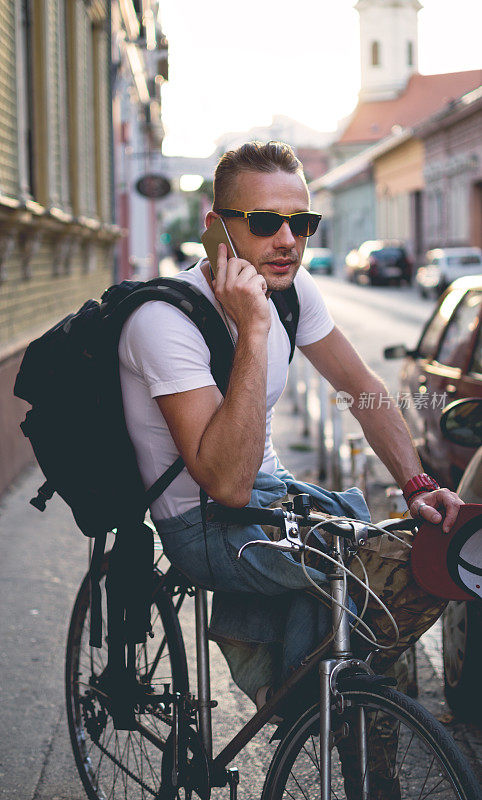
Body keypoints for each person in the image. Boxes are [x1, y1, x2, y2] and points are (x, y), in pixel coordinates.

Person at [118, 140, 462, 710]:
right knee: (379, 575)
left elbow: (364, 389)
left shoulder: (292, 289)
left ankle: (347, 720)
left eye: (302, 222)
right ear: (216, 228)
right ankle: (316, 704)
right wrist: (253, 330)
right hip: (203, 526)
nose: (288, 241)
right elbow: (226, 484)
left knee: (435, 560)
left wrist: (416, 484)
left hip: (276, 503)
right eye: (264, 223)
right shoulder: (164, 320)